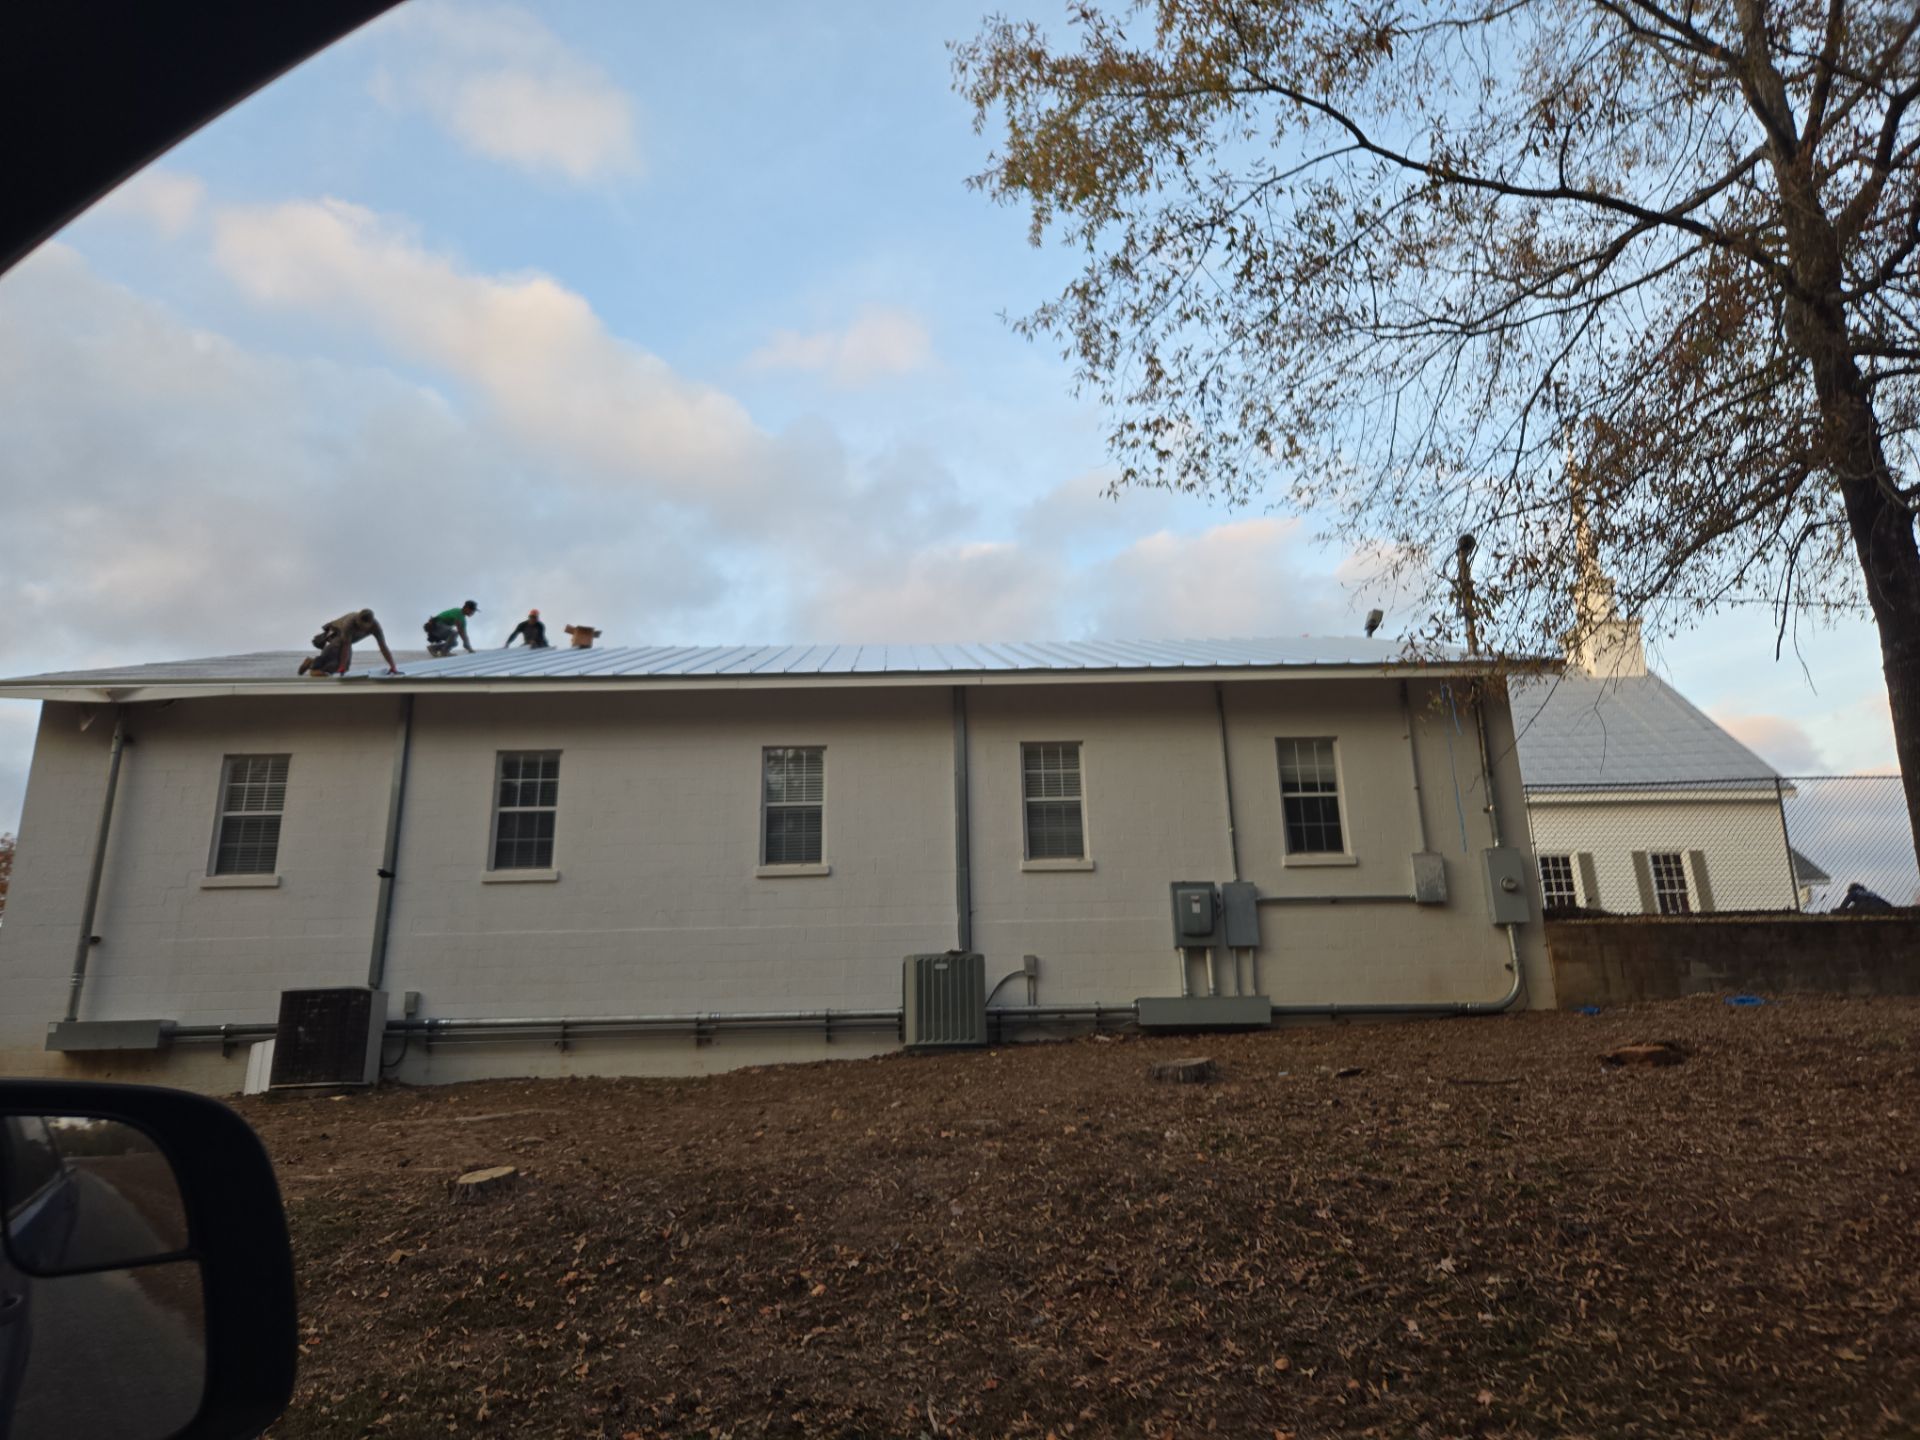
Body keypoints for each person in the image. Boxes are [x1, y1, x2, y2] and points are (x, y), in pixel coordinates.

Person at [299, 608, 397, 676]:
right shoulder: (350, 623)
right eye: (358, 624)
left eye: (362, 626)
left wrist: (393, 666)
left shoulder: (376, 627)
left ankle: (312, 663)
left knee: (344, 666)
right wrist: (341, 667)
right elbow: (345, 646)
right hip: (336, 632)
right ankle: (315, 668)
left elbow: (383, 647)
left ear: (370, 624)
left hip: (347, 640)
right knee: (337, 651)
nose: (359, 627)